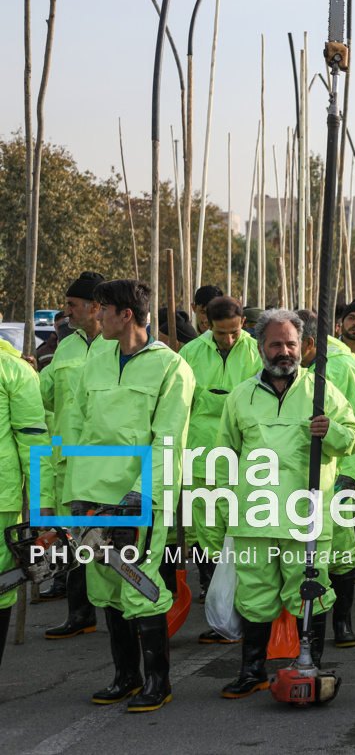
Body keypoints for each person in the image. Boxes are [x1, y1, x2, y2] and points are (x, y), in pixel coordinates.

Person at [211, 310, 355, 698]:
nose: (284, 351)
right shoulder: (241, 396)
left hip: (305, 518)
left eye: (291, 344)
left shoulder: (322, 391)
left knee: (309, 592)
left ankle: (309, 664)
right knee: (255, 597)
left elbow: (353, 439)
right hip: (254, 519)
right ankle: (252, 670)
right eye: (276, 344)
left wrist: (331, 431)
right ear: (261, 347)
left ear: (303, 346)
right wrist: (228, 510)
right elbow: (224, 455)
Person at [63, 279, 195, 711]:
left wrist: (142, 494)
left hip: (139, 498)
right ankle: (125, 676)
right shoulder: (96, 363)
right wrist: (72, 496)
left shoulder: (171, 368)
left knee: (138, 582)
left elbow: (168, 438)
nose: (95, 316)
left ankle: (159, 682)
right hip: (92, 494)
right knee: (105, 585)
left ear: (127, 315)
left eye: (103, 309)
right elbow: (78, 431)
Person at [178, 296, 261, 620]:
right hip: (201, 459)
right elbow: (180, 405)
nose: (229, 339)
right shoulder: (191, 353)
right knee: (208, 534)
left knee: (245, 531)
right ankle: (218, 605)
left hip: (243, 460)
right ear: (207, 325)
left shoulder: (256, 351)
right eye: (222, 333)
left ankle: (250, 603)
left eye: (235, 332)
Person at [37, 271, 109, 634]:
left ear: (96, 307)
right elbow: (45, 399)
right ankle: (80, 614)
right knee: (71, 539)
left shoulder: (117, 348)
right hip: (66, 461)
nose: (65, 312)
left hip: (105, 465)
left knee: (106, 542)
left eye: (71, 305)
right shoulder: (66, 345)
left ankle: (120, 614)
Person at [297, 309, 355, 650]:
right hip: (296, 475)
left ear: (310, 343)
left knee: (341, 552)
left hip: (336, 476)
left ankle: (342, 621)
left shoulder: (342, 364)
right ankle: (306, 623)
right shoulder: (289, 369)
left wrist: (350, 476)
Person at [0, 328, 50, 668]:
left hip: (3, 500)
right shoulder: (15, 369)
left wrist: (42, 507)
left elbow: (33, 441)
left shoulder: (13, 370)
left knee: (1, 589)